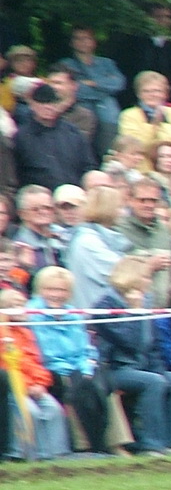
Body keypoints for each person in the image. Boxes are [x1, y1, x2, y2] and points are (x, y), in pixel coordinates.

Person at [94, 255, 171, 456]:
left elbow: (152, 345)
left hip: (144, 367)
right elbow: (128, 341)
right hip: (114, 369)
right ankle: (152, 445)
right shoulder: (105, 306)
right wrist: (134, 312)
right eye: (146, 277)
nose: (149, 282)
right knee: (153, 382)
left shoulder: (145, 303)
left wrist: (159, 370)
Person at [27, 265, 111, 453]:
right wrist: (75, 370)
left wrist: (85, 368)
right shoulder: (31, 314)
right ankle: (88, 445)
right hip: (48, 369)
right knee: (82, 386)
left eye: (62, 290)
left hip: (77, 367)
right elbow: (45, 353)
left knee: (99, 383)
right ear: (40, 290)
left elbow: (85, 349)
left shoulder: (73, 314)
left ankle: (110, 444)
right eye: (51, 289)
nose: (56, 294)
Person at [0, 287, 74, 460]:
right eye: (13, 306)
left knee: (54, 409)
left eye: (21, 305)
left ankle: (56, 454)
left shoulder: (27, 334)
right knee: (30, 411)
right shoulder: (3, 335)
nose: (20, 309)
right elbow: (9, 364)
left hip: (34, 385)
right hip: (14, 386)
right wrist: (27, 386)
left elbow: (37, 362)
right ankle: (28, 454)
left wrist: (40, 383)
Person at [13, 84, 96, 192]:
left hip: (73, 193)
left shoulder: (73, 133)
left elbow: (88, 165)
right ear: (32, 104)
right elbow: (16, 172)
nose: (48, 107)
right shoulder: (21, 137)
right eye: (42, 102)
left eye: (52, 102)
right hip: (38, 196)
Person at [58, 27, 126, 153]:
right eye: (78, 38)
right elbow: (74, 90)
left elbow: (119, 83)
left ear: (94, 42)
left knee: (109, 113)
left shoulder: (107, 63)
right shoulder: (66, 64)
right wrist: (104, 87)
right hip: (82, 106)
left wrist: (93, 83)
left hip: (106, 110)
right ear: (72, 42)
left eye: (86, 38)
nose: (82, 42)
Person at [64, 186, 132, 308]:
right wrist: (148, 265)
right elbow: (122, 273)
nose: (123, 213)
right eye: (119, 207)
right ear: (108, 209)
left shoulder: (100, 237)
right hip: (93, 313)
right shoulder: (87, 241)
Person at [116, 71, 171, 152]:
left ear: (165, 94)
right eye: (146, 91)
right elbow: (136, 147)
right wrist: (155, 125)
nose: (152, 95)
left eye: (157, 91)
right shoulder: (128, 115)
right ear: (138, 94)